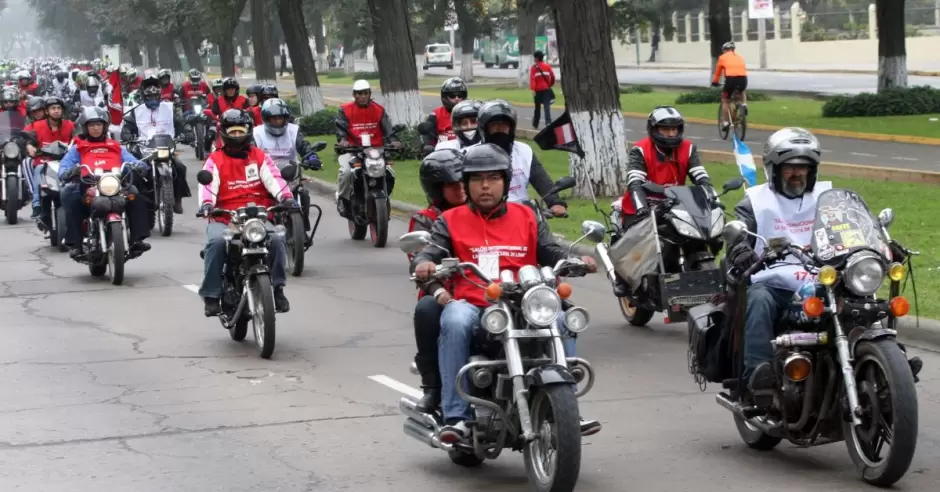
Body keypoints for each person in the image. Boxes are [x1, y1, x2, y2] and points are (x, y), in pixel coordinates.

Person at [410, 143, 601, 443]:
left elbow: (550, 250)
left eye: (493, 178)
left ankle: (568, 409)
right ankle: (456, 417)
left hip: (526, 302)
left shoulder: (527, 215)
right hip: (474, 304)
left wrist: (576, 259)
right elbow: (431, 250)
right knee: (454, 319)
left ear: (505, 180)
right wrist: (424, 262)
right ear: (467, 184)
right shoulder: (450, 220)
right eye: (477, 179)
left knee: (562, 319)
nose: (485, 186)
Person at [728, 128, 831, 396]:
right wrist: (741, 250)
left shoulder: (825, 198)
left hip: (820, 279)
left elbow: (847, 226)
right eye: (790, 167)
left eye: (803, 167)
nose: (797, 173)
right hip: (774, 281)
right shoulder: (755, 202)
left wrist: (874, 243)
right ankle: (758, 373)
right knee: (759, 300)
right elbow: (738, 235)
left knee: (861, 300)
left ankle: (883, 357)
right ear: (774, 169)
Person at [197, 109, 294, 316]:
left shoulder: (260, 156)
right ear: (224, 132)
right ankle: (211, 294)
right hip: (225, 217)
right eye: (232, 131)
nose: (237, 135)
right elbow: (208, 185)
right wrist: (207, 204)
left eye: (241, 130)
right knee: (216, 243)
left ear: (249, 131)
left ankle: (278, 288)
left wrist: (286, 197)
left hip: (258, 216)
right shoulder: (214, 159)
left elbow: (274, 178)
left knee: (277, 239)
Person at [407, 149, 467, 414]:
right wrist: (437, 287)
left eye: (464, 181)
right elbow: (417, 260)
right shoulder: (425, 220)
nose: (461, 189)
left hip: (484, 287)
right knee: (426, 310)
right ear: (436, 189)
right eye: (453, 185)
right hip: (442, 290)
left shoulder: (481, 213)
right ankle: (432, 387)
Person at [57, 107, 151, 260]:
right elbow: (64, 167)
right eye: (92, 125)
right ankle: (76, 244)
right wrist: (70, 171)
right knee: (72, 200)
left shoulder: (116, 146)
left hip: (116, 184)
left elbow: (131, 160)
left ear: (105, 126)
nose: (95, 128)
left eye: (99, 124)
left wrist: (139, 166)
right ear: (85, 127)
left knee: (136, 196)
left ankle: (137, 240)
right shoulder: (77, 148)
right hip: (89, 184)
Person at [620, 106, 714, 230]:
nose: (670, 134)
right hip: (640, 209)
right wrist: (641, 208)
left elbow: (701, 177)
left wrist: (712, 198)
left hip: (675, 206)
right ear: (653, 129)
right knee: (640, 237)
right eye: (665, 129)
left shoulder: (688, 148)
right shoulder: (640, 149)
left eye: (674, 129)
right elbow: (634, 182)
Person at [475, 100, 567, 215]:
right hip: (486, 212)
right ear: (484, 129)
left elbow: (540, 179)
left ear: (511, 128)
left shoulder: (524, 151)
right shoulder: (472, 156)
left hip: (523, 212)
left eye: (504, 126)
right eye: (494, 126)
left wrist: (555, 202)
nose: (500, 130)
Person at [122, 76, 192, 214]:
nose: (153, 99)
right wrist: (127, 134)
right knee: (133, 171)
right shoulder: (136, 111)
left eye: (155, 96)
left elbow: (181, 122)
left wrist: (188, 131)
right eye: (150, 97)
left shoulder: (169, 108)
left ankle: (177, 199)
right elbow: (127, 126)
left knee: (180, 167)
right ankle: (135, 202)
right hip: (143, 149)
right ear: (144, 96)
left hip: (165, 147)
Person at [252, 98, 322, 231]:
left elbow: (304, 146)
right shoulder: (256, 133)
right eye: (274, 118)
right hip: (266, 176)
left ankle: (303, 227)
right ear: (266, 119)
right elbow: (250, 152)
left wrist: (312, 157)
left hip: (291, 174)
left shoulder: (293, 131)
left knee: (304, 195)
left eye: (281, 118)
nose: (278, 121)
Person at [334, 79, 400, 217]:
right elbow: (341, 129)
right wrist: (343, 140)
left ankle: (385, 200)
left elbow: (388, 129)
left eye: (365, 93)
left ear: (370, 94)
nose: (362, 96)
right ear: (354, 95)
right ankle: (343, 200)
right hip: (353, 150)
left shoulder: (379, 110)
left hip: (376, 152)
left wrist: (394, 141)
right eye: (359, 93)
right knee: (346, 173)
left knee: (389, 173)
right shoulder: (345, 110)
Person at [24, 96, 74, 218]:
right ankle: (36, 204)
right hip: (44, 161)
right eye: (53, 108)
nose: (56, 111)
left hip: (65, 161)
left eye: (58, 108)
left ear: (62, 110)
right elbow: (28, 138)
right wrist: (30, 146)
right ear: (47, 111)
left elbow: (78, 139)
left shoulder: (71, 125)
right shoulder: (36, 125)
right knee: (38, 169)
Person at [711, 41, 748, 130]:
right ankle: (744, 104)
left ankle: (726, 122)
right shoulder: (740, 57)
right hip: (743, 80)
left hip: (731, 81)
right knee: (741, 91)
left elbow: (718, 73)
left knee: (725, 100)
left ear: (725, 50)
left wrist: (715, 82)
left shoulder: (722, 57)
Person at [420, 78, 467, 149]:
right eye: (452, 95)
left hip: (468, 150)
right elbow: (428, 134)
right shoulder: (436, 114)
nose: (457, 98)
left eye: (460, 95)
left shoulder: (471, 112)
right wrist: (428, 146)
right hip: (443, 152)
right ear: (444, 97)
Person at [528, 50, 555, 129]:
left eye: (534, 57)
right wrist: (549, 85)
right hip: (546, 89)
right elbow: (553, 77)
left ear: (536, 58)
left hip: (537, 91)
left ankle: (535, 124)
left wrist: (533, 89)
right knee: (547, 107)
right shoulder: (547, 66)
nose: (534, 59)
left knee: (537, 107)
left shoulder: (534, 68)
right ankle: (548, 122)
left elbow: (532, 79)